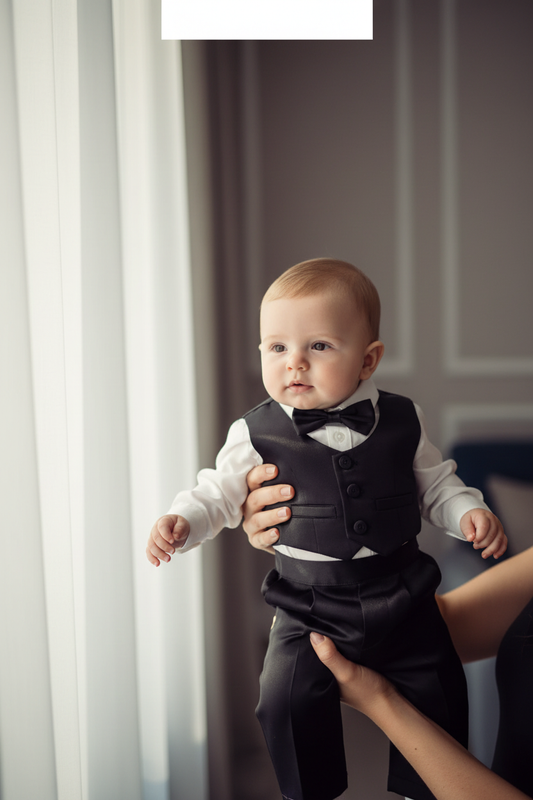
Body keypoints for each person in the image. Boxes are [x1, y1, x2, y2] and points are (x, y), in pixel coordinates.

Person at [146, 259, 507, 800]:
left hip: (401, 589)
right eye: (276, 347)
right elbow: (217, 493)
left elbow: (436, 486)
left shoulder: (404, 418)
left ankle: (425, 789)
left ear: (368, 360)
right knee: (282, 697)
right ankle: (310, 792)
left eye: (318, 346)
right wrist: (182, 521)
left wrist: (467, 513)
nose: (294, 363)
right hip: (305, 599)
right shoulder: (254, 430)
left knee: (440, 686)